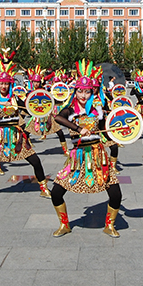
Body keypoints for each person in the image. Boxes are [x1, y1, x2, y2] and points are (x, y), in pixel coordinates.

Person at [49, 59, 122, 238]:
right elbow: (58, 118)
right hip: (78, 156)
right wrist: (78, 128)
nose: (83, 95)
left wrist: (121, 134)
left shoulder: (98, 109)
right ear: (76, 91)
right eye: (80, 91)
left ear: (92, 92)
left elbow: (109, 126)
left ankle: (109, 225)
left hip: (98, 154)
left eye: (87, 91)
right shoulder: (70, 110)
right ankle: (64, 224)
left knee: (115, 194)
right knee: (57, 192)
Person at [0, 61, 49, 199]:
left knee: (35, 160)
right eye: (1, 84)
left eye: (6, 84)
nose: (4, 86)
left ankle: (44, 188)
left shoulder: (15, 98)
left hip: (16, 135)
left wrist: (42, 106)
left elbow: (29, 106)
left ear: (10, 85)